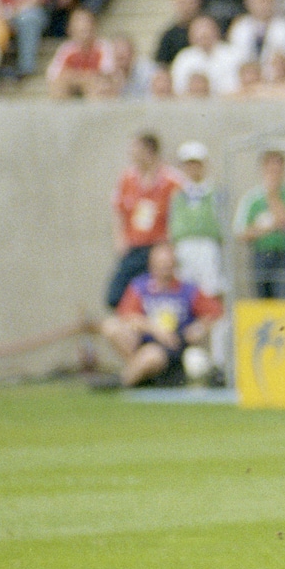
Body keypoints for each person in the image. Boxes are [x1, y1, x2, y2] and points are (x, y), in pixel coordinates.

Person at [99, 240, 222, 387]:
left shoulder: (188, 290)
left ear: (174, 265)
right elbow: (126, 316)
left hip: (173, 346)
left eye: (168, 264)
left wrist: (200, 327)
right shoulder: (140, 287)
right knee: (111, 326)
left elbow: (216, 311)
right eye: (160, 264)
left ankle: (119, 382)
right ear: (151, 265)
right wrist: (155, 330)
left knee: (152, 355)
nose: (164, 268)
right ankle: (141, 375)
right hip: (144, 340)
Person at [105, 132, 181, 310]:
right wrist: (119, 239)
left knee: (156, 295)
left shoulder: (171, 179)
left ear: (149, 151)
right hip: (133, 247)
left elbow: (182, 210)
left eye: (136, 149)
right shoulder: (127, 178)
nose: (132, 154)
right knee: (115, 296)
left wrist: (170, 244)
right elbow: (118, 209)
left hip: (158, 247)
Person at [232, 150, 285, 298]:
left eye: (277, 169)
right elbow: (241, 232)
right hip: (260, 255)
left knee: (284, 298)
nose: (274, 173)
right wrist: (267, 228)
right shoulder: (251, 198)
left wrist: (272, 194)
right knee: (261, 300)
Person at [166, 141, 225, 303]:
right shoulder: (177, 194)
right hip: (184, 247)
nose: (192, 169)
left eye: (196, 164)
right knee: (185, 288)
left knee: (211, 288)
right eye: (188, 164)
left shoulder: (214, 192)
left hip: (207, 246)